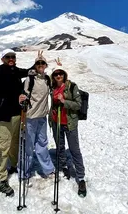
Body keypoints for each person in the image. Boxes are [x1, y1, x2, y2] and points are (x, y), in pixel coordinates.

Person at [0, 48, 30, 197]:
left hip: (17, 114)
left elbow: (27, 72)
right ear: (2, 59)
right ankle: (2, 179)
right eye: (8, 57)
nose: (11, 58)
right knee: (3, 146)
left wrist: (37, 65)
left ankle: (13, 165)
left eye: (13, 56)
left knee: (15, 143)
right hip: (4, 115)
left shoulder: (15, 71)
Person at [49, 58, 87, 197]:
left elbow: (78, 104)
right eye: (56, 74)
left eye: (61, 73)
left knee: (74, 150)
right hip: (56, 122)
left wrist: (64, 101)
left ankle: (81, 177)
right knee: (59, 146)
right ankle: (64, 166)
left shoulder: (72, 86)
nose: (58, 76)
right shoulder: (52, 87)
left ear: (65, 74)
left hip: (69, 123)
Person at [18, 51, 55, 182]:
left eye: (42, 63)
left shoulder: (47, 79)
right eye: (38, 63)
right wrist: (21, 100)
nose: (40, 65)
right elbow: (23, 94)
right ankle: (23, 172)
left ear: (45, 65)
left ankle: (48, 169)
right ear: (35, 65)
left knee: (42, 144)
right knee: (28, 146)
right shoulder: (30, 79)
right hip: (30, 116)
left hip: (42, 117)